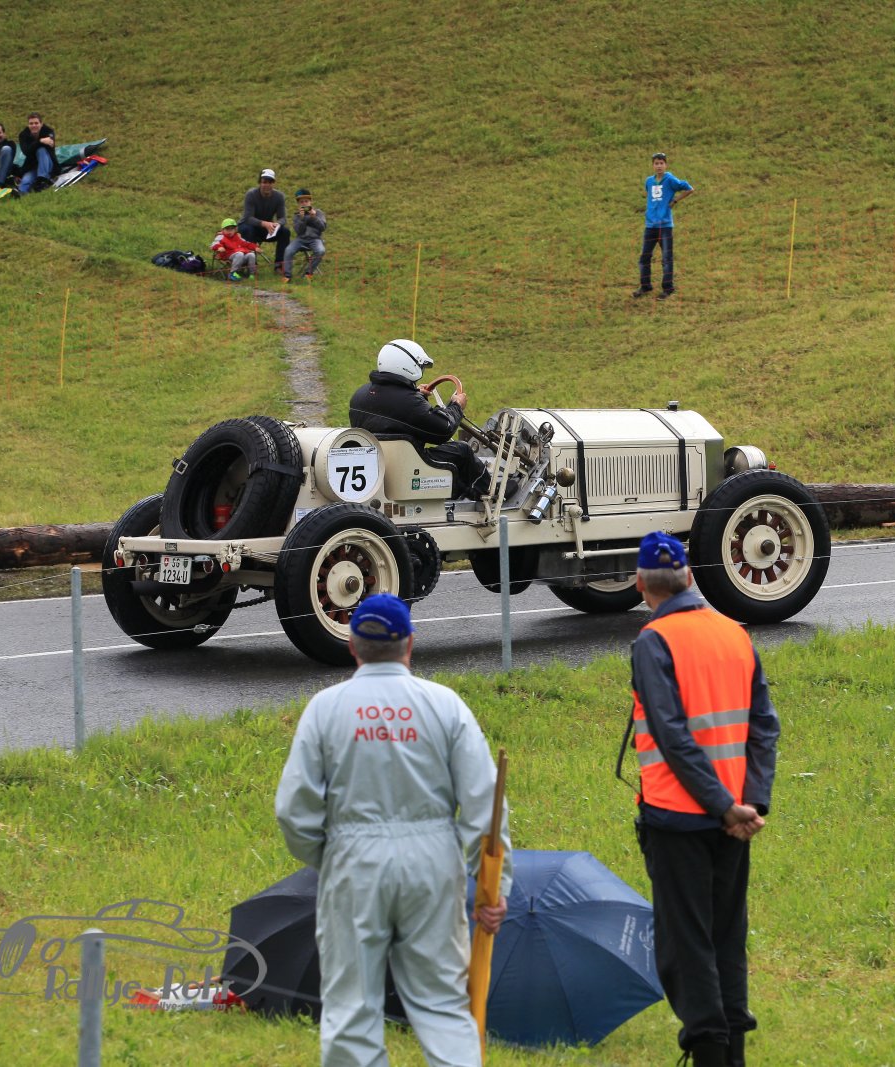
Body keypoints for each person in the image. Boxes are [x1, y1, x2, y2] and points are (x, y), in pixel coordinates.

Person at [275, 593, 511, 1067]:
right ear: (410, 644)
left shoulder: (326, 708)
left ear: (352, 646)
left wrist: (331, 856)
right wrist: (493, 886)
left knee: (351, 1010)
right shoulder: (444, 705)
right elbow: (485, 802)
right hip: (432, 861)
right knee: (443, 1005)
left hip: (353, 861)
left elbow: (293, 810)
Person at [623, 532, 778, 1067]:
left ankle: (709, 1051)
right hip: (735, 820)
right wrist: (750, 803)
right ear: (689, 577)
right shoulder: (735, 633)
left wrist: (721, 806)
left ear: (640, 584)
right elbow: (764, 726)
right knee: (726, 939)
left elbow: (672, 736)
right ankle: (733, 1055)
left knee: (685, 947)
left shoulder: (654, 642)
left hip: (678, 819)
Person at [348, 339, 490, 500]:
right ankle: (490, 494)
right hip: (410, 468)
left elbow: (395, 417)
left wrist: (417, 395)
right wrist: (456, 405)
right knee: (462, 451)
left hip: (379, 467)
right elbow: (444, 429)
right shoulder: (408, 402)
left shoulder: (360, 395)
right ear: (409, 366)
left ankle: (464, 493)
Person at [633, 151, 696, 300]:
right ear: (653, 165)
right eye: (656, 163)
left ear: (666, 165)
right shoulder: (649, 181)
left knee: (666, 258)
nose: (659, 166)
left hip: (665, 226)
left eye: (661, 163)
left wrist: (675, 201)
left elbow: (689, 189)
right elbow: (650, 197)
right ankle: (645, 286)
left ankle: (668, 288)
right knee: (644, 257)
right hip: (650, 225)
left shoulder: (670, 180)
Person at [239, 169, 290, 276]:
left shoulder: (279, 197)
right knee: (248, 229)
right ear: (260, 182)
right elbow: (248, 218)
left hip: (265, 229)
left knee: (285, 232)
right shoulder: (251, 194)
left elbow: (283, 218)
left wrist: (277, 224)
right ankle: (252, 265)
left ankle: (279, 265)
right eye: (264, 182)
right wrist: (265, 223)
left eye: (270, 182)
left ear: (273, 183)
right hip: (247, 227)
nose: (267, 185)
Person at [282, 188, 327, 282]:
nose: (304, 204)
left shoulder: (318, 213)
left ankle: (308, 273)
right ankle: (287, 276)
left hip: (315, 239)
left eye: (306, 201)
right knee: (288, 250)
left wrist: (314, 217)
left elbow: (323, 228)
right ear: (298, 204)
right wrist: (302, 219)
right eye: (301, 202)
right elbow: (299, 231)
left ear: (310, 202)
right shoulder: (297, 215)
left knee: (321, 251)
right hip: (300, 239)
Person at [16, 112, 57, 194]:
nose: (34, 125)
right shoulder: (23, 135)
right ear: (28, 125)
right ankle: (21, 193)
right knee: (26, 180)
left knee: (41, 150)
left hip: (48, 164)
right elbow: (26, 151)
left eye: (36, 123)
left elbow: (50, 145)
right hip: (33, 166)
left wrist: (35, 145)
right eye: (31, 123)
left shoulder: (48, 131)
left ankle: (42, 180)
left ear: (41, 124)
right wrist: (40, 141)